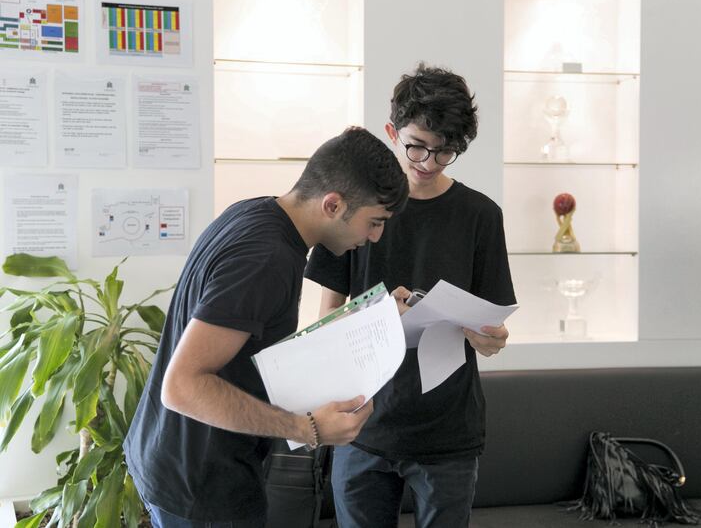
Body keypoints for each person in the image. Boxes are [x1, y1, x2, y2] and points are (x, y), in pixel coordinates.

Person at [123, 126, 409, 527]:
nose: (375, 237)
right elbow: (183, 386)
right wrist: (307, 428)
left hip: (172, 459)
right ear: (332, 205)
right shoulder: (267, 258)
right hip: (201, 488)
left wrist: (372, 316)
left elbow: (253, 343)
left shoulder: (256, 214)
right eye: (374, 222)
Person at [305, 64, 516, 527]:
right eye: (416, 146)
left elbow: (494, 329)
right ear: (391, 131)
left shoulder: (481, 215)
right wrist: (381, 315)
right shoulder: (352, 208)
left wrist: (490, 338)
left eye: (444, 153)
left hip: (447, 431)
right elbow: (325, 327)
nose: (426, 163)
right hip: (362, 424)